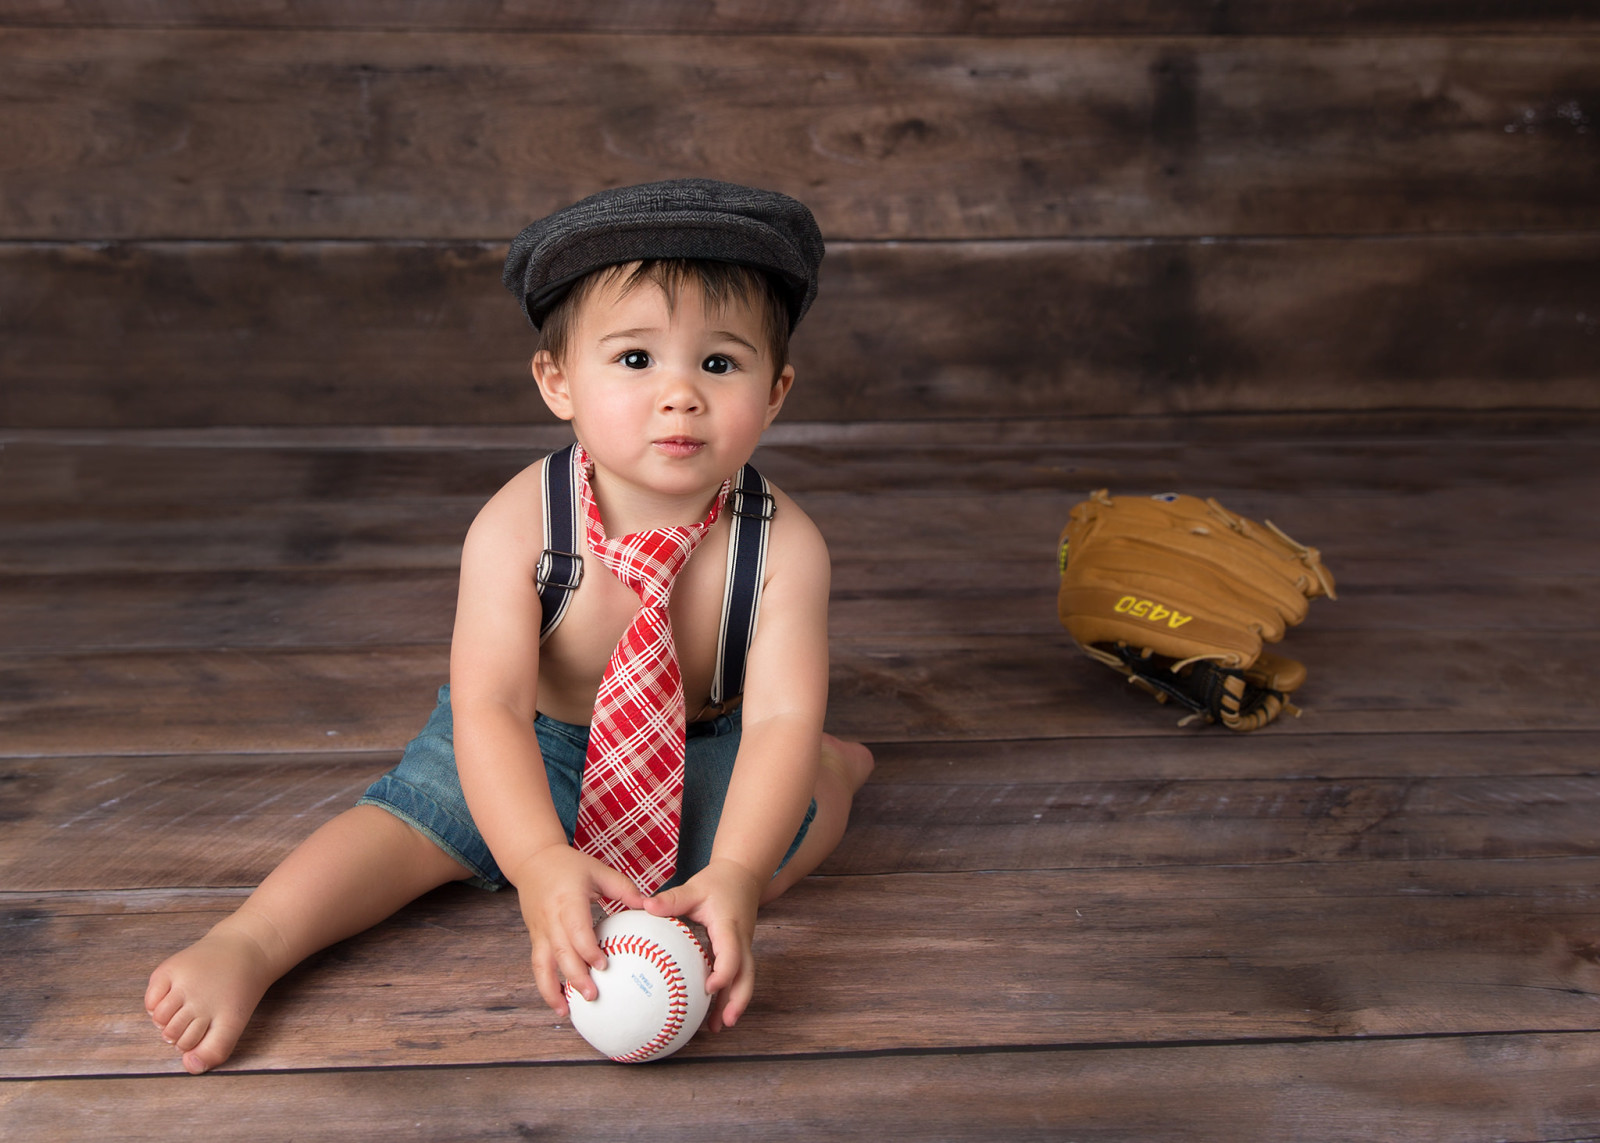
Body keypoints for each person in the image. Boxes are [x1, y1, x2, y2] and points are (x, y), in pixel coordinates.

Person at [144, 179, 874, 1075]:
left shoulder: (785, 547)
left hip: (704, 736)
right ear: (557, 380)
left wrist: (740, 874)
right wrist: (533, 858)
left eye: (719, 364)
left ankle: (836, 776)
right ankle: (252, 941)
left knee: (785, 814)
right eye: (636, 359)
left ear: (776, 391)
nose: (679, 394)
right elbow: (488, 705)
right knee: (415, 818)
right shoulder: (518, 525)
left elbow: (777, 720)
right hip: (531, 741)